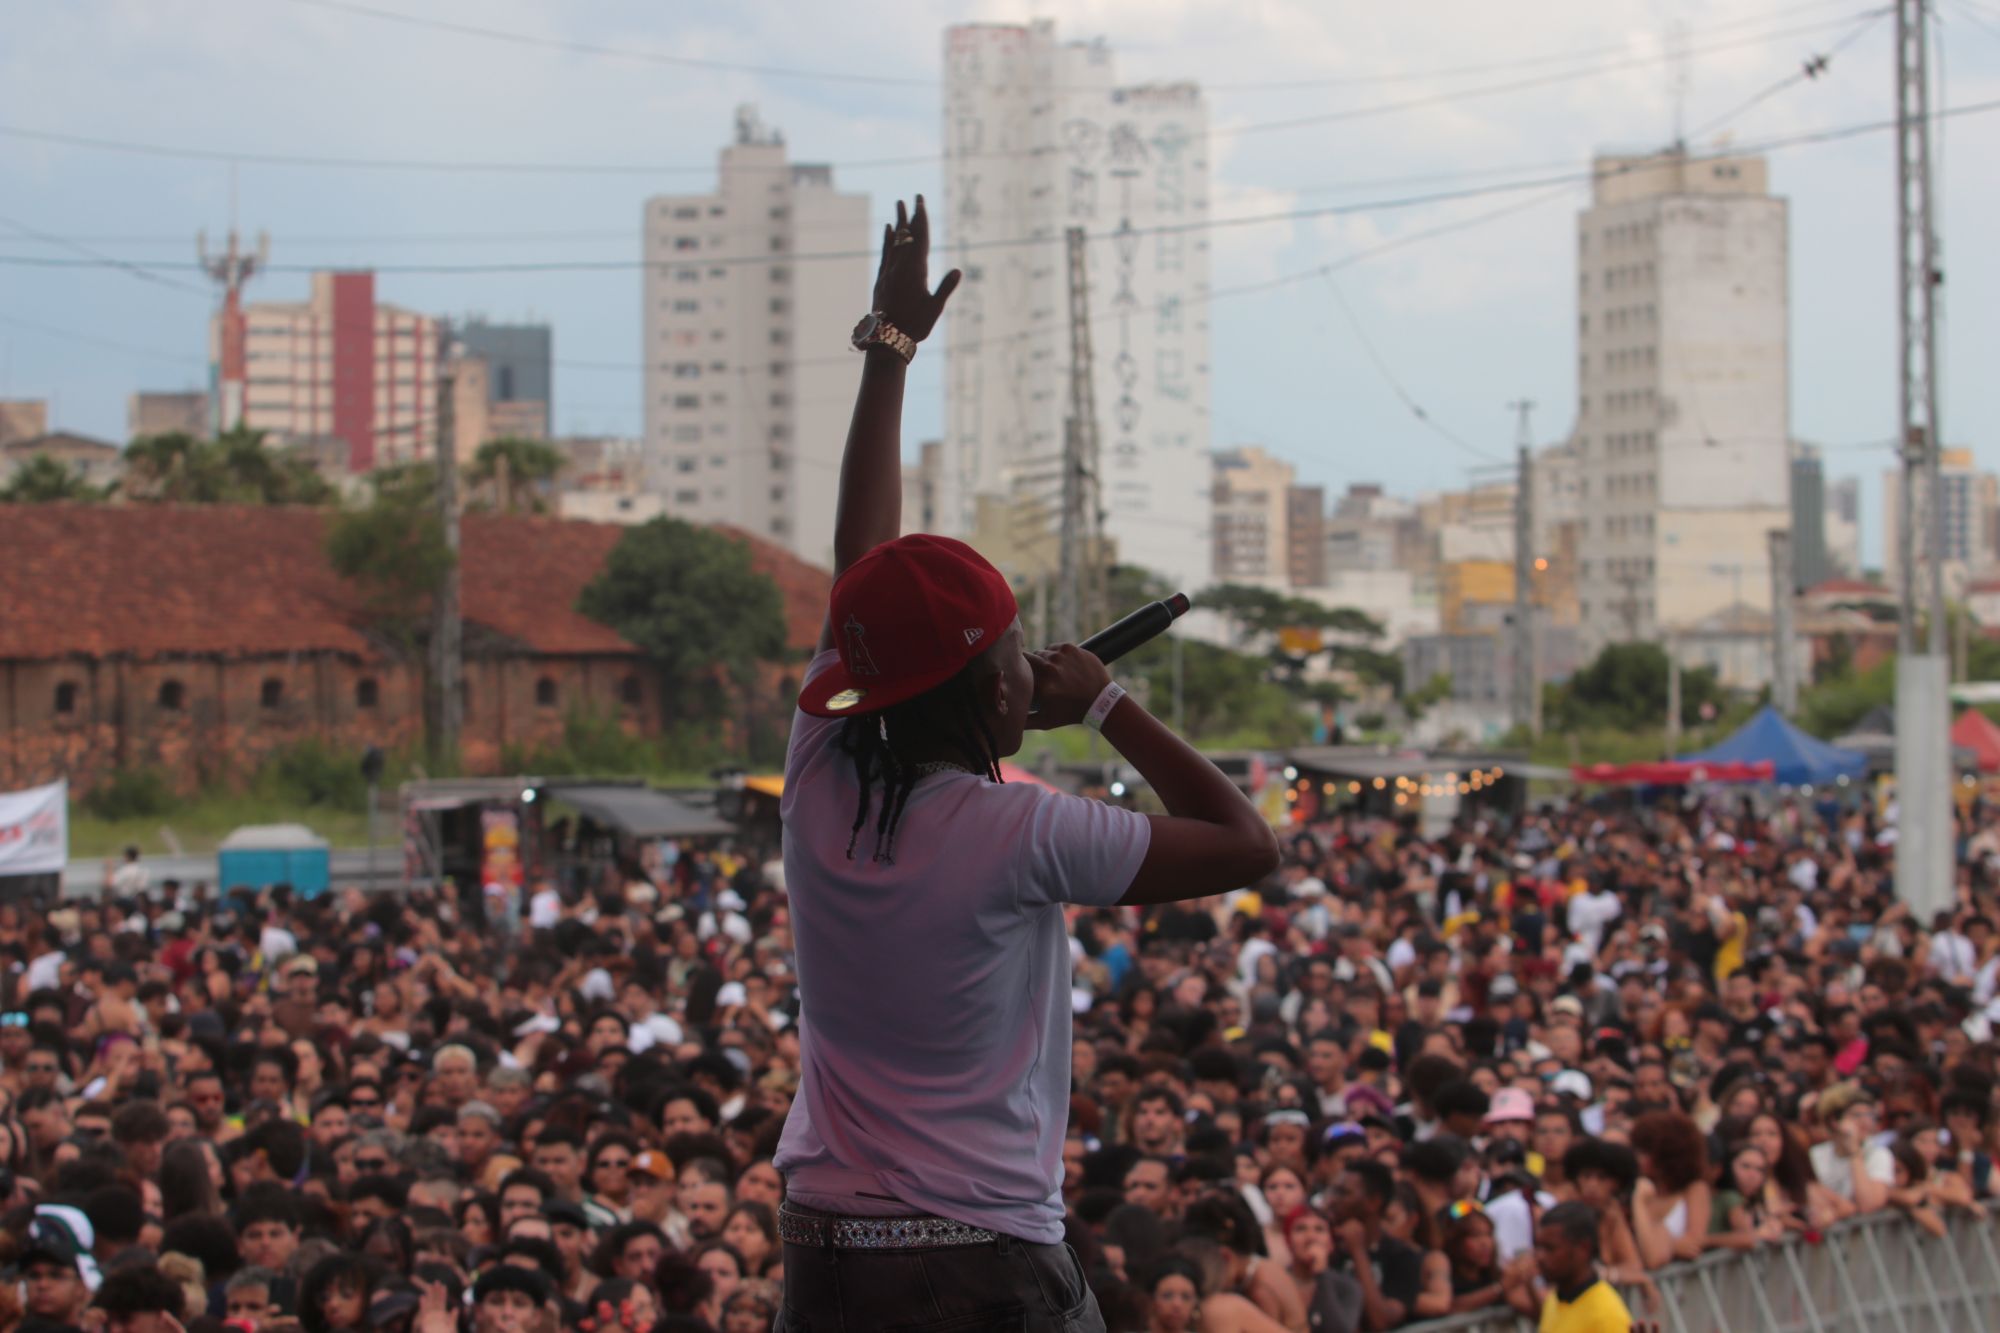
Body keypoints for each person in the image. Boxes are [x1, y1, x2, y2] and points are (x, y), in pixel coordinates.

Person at [771, 195, 1278, 1330]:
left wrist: (890, 351)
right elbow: (1248, 842)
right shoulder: (1019, 832)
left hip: (824, 1254)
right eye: (1014, 649)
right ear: (995, 687)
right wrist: (1105, 702)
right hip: (978, 1258)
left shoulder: (819, 765)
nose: (1029, 661)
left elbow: (867, 573)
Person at [1503, 1201, 1636, 1332]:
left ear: (1583, 1248)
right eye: (1538, 1247)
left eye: (1550, 1248)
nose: (1540, 1257)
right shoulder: (1554, 1299)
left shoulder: (1606, 1317)